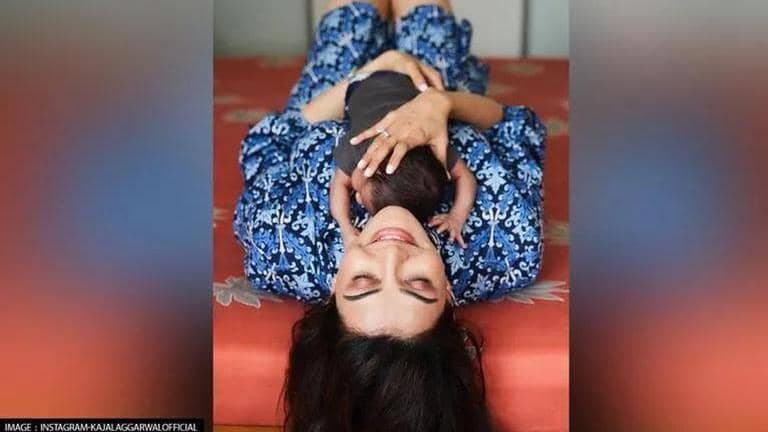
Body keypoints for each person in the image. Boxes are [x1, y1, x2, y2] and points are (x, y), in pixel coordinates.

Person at [233, 0, 545, 428]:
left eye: (363, 281)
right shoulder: (508, 246)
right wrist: (442, 103)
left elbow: (265, 143)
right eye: (419, 283)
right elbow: (520, 127)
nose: (392, 253)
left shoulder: (280, 248)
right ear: (449, 299)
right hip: (436, 78)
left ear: (332, 294)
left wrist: (360, 80)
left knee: (352, 15)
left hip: (337, 87)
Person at [328, 68, 477, 246]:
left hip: (408, 86)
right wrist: (344, 224)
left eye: (358, 194)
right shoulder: (358, 145)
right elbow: (338, 185)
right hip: (365, 81)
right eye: (360, 192)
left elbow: (465, 177)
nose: (357, 198)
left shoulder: (430, 154)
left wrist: (456, 217)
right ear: (369, 163)